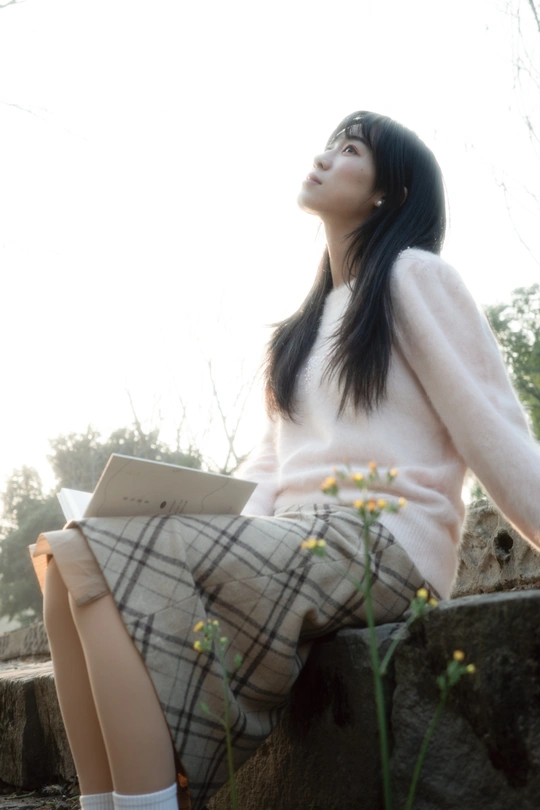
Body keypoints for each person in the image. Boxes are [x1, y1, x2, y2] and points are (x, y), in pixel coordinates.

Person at [31, 110, 540, 810]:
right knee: (67, 555)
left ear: (388, 193)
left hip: (385, 546)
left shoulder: (414, 276)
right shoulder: (297, 333)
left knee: (100, 552)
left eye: (350, 149)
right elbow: (266, 474)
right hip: (298, 538)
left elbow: (492, 431)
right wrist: (176, 511)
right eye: (328, 144)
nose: (325, 157)